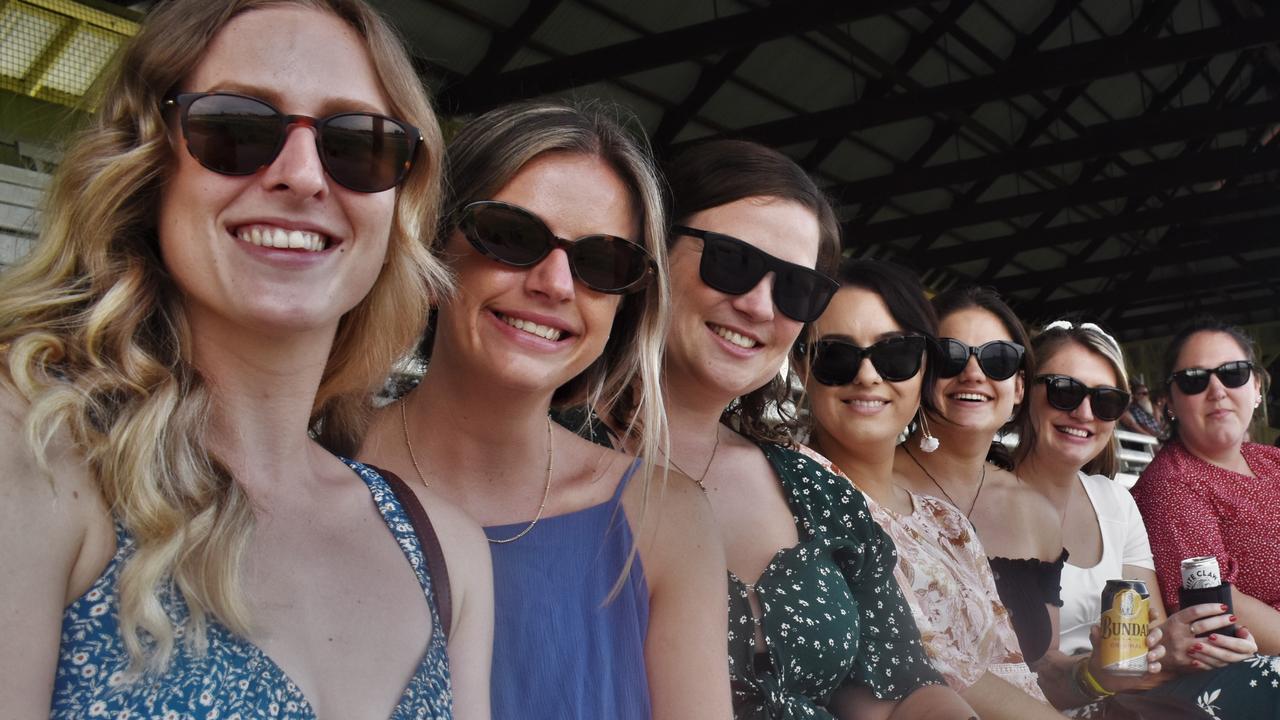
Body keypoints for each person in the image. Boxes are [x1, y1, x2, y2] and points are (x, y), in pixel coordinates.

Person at [0, 1, 492, 717]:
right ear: (148, 167)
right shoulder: (36, 450)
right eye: (235, 128)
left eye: (358, 145)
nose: (303, 175)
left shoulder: (447, 552)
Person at [358, 101, 733, 719]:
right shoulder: (320, 468)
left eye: (602, 263)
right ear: (432, 250)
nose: (556, 283)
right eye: (512, 236)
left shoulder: (665, 520)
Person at [641, 140, 974, 718]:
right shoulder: (544, 455)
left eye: (796, 287)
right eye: (732, 260)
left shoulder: (813, 489)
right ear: (653, 247)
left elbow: (899, 691)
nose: (759, 305)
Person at [796, 260, 1064, 719]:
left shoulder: (946, 521)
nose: (867, 375)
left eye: (894, 354)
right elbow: (941, 671)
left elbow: (1013, 667)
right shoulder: (800, 487)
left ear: (921, 371)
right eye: (836, 355)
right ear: (802, 367)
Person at [1013, 321, 1280, 717]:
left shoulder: (1114, 500)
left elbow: (1151, 640)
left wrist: (1162, 652)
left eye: (1105, 400)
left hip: (1133, 692)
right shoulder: (1169, 486)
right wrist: (1109, 670)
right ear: (1021, 390)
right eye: (1063, 391)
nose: (1084, 411)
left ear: (1257, 387)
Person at [892, 286, 1065, 665]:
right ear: (921, 372)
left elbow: (1043, 669)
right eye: (950, 356)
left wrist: (1096, 673)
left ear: (1018, 387)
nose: (973, 373)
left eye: (997, 360)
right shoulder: (871, 483)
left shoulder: (1038, 513)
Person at [1134, 318, 1280, 655]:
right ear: (1169, 402)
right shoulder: (1172, 483)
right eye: (1193, 381)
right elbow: (1216, 602)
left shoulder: (1271, 460)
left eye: (1233, 373)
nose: (1217, 391)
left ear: (1256, 388)